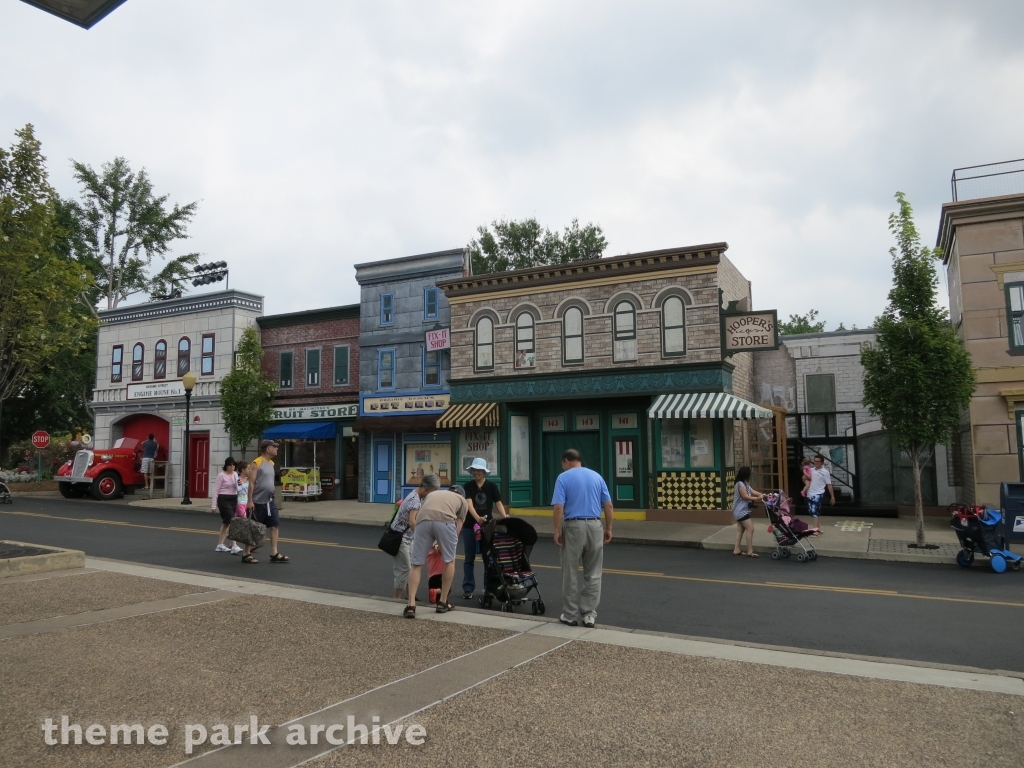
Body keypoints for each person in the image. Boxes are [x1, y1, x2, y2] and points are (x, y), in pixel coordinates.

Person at [552, 448, 613, 629]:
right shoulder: (596, 476)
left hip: (573, 526)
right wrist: (608, 527)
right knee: (593, 572)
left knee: (570, 571)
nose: (563, 467)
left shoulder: (563, 478)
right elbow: (608, 505)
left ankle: (570, 614)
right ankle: (589, 614)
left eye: (563, 464)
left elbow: (558, 507)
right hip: (595, 525)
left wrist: (556, 530)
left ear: (567, 461)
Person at [404, 478, 467, 618]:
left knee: (416, 564)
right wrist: (445, 545)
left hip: (422, 521)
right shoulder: (463, 501)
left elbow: (428, 513)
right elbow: (457, 529)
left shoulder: (433, 494)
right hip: (445, 521)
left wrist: (434, 545)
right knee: (449, 561)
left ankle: (411, 605)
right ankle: (443, 602)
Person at [461, 457, 507, 599]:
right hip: (470, 526)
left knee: (489, 558)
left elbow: (498, 503)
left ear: (484, 472)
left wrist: (505, 517)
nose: (476, 473)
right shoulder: (467, 486)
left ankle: (489, 587)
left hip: (488, 526)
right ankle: (468, 588)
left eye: (479, 470)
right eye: (474, 470)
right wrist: (477, 519)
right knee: (469, 558)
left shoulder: (492, 486)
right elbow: (469, 504)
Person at [390, 475, 440, 598]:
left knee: (412, 567)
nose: (431, 495)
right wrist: (422, 539)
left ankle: (410, 596)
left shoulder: (417, 495)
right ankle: (396, 599)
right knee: (404, 569)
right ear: (424, 488)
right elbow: (412, 523)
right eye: (431, 492)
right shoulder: (415, 500)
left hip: (408, 538)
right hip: (400, 539)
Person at [244, 440, 289, 564]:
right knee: (254, 528)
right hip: (257, 502)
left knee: (275, 525)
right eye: (275, 447)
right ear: (268, 449)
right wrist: (250, 500)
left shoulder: (271, 463)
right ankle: (246, 553)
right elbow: (251, 483)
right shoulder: (256, 463)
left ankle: (274, 553)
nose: (276, 449)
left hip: (269, 501)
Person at [212, 457, 242, 554]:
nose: (232, 467)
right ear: (226, 466)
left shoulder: (235, 475)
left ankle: (220, 545)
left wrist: (240, 484)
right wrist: (213, 505)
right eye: (230, 465)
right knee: (232, 520)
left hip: (233, 498)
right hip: (223, 499)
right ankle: (234, 545)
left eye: (233, 465)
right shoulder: (221, 475)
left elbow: (239, 488)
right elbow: (215, 490)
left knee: (226, 523)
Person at [733, 466, 764, 557]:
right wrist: (757, 498)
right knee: (750, 529)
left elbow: (753, 491)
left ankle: (736, 549)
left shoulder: (744, 484)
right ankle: (750, 551)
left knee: (740, 529)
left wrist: (764, 495)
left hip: (739, 510)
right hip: (741, 511)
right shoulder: (740, 484)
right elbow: (745, 496)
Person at [807, 454, 835, 531]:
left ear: (822, 462)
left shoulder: (825, 472)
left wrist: (832, 496)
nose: (816, 463)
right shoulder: (811, 470)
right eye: (815, 461)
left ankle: (815, 530)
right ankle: (819, 527)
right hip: (810, 493)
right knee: (811, 511)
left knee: (815, 511)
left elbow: (829, 485)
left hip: (818, 493)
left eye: (818, 461)